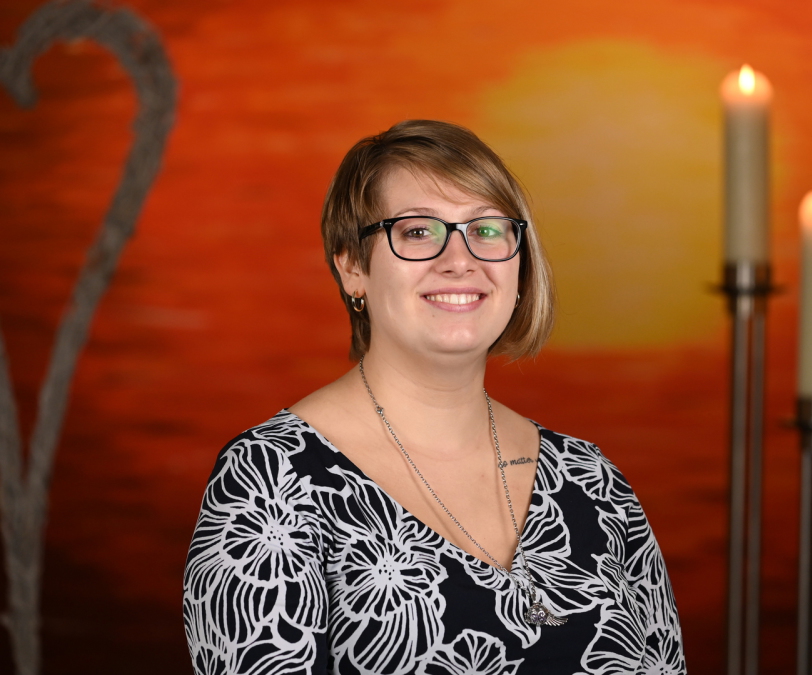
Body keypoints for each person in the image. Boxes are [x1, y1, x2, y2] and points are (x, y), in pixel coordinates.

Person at [183, 120, 685, 674]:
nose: (460, 260)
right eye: (419, 231)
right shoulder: (267, 481)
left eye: (486, 229)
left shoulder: (593, 481)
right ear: (352, 266)